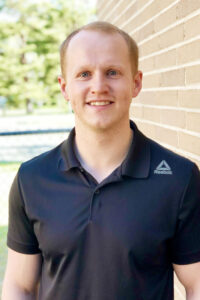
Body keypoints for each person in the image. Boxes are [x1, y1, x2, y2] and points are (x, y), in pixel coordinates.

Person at [2, 21, 200, 300]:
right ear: (64, 88)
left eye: (112, 72)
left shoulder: (180, 178)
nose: (98, 86)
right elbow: (19, 286)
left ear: (136, 83)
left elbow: (196, 283)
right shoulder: (32, 179)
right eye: (84, 74)